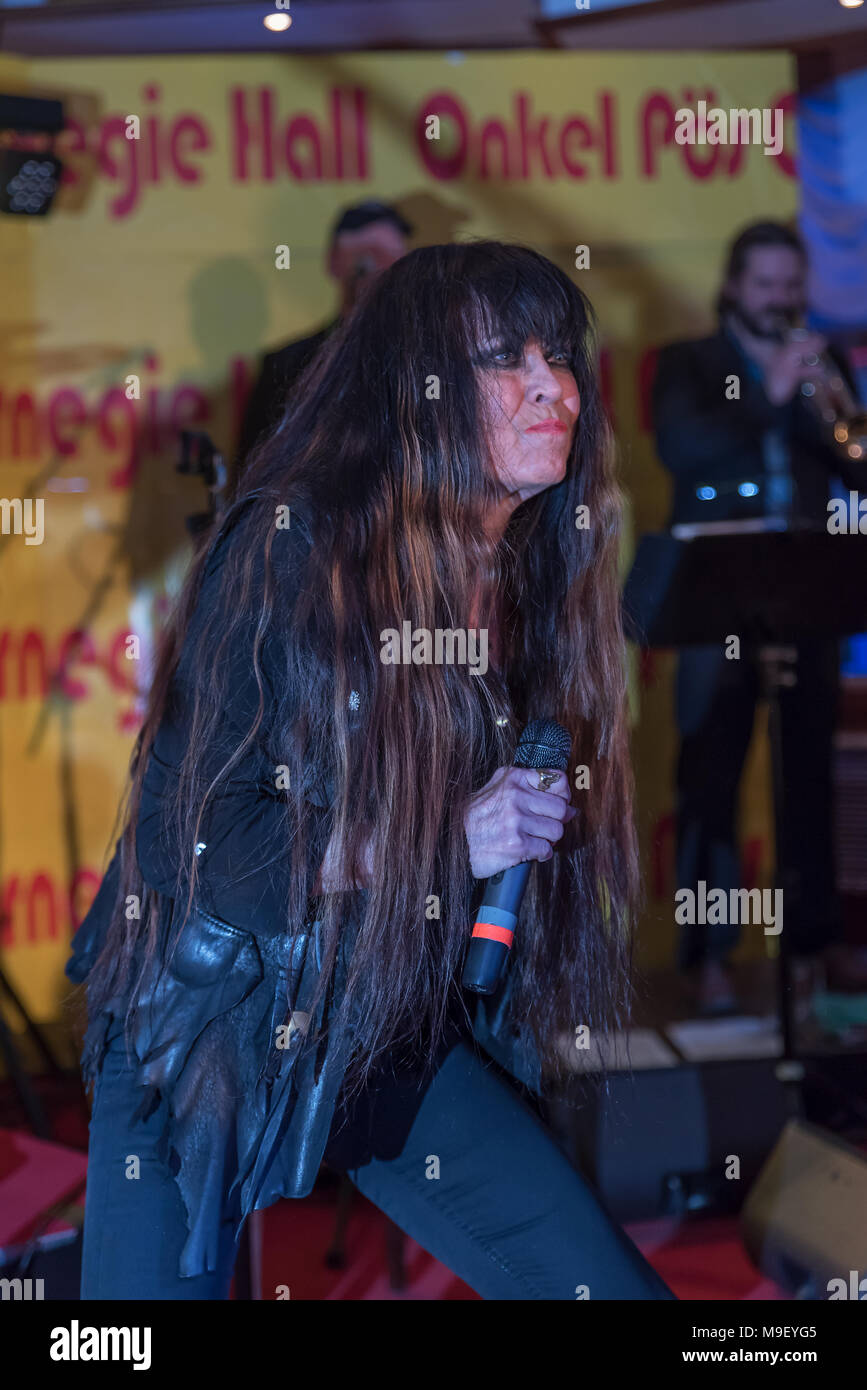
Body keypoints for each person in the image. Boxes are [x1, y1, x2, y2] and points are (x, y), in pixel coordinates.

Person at [69, 240, 674, 1301]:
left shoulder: (536, 571)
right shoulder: (293, 550)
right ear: (420, 393)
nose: (554, 386)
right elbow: (198, 843)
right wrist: (449, 837)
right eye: (505, 360)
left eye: (559, 355)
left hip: (379, 1019)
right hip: (203, 1026)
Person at [652, 220, 866, 1016]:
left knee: (806, 775)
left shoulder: (823, 358)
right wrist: (772, 394)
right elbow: (681, 449)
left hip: (807, 589)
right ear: (734, 286)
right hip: (717, 594)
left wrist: (830, 412)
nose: (780, 298)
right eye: (765, 283)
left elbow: (855, 459)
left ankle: (816, 943)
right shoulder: (689, 364)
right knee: (709, 776)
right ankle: (706, 955)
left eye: (790, 283)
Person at [235, 199, 412, 469]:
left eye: (391, 255)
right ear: (334, 262)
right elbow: (253, 473)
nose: (379, 268)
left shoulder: (423, 360)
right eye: (366, 254)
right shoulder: (286, 365)